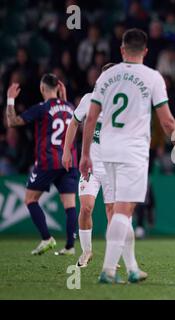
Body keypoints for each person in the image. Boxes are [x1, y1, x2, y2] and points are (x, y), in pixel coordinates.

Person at [79, 29, 175, 284]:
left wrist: (85, 154)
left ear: (122, 50)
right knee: (123, 212)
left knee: (120, 210)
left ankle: (133, 267)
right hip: (133, 151)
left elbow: (91, 118)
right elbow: (167, 119)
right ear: (146, 51)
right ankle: (108, 270)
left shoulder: (107, 76)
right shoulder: (152, 77)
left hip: (106, 150)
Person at [5, 74, 78, 256]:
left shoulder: (42, 108)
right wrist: (65, 97)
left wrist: (10, 99)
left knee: (30, 199)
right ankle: (70, 246)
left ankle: (47, 238)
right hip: (69, 161)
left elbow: (12, 122)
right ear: (59, 88)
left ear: (42, 89)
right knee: (69, 205)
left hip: (49, 161)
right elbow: (69, 117)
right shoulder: (70, 107)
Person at [62, 63, 116, 268]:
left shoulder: (120, 104)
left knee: (112, 212)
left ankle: (112, 256)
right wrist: (67, 150)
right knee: (86, 207)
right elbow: (74, 122)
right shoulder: (88, 100)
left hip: (112, 166)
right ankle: (86, 252)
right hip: (90, 166)